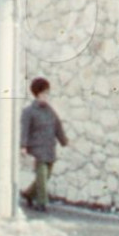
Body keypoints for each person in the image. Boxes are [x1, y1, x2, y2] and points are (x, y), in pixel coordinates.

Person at [20, 76, 69, 214]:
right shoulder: (28, 112)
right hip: (37, 149)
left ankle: (29, 194)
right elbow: (25, 129)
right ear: (36, 95)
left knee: (46, 176)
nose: (46, 96)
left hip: (49, 147)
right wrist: (23, 146)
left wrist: (63, 140)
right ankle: (42, 202)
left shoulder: (50, 111)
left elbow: (57, 125)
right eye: (43, 94)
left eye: (47, 93)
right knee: (41, 175)